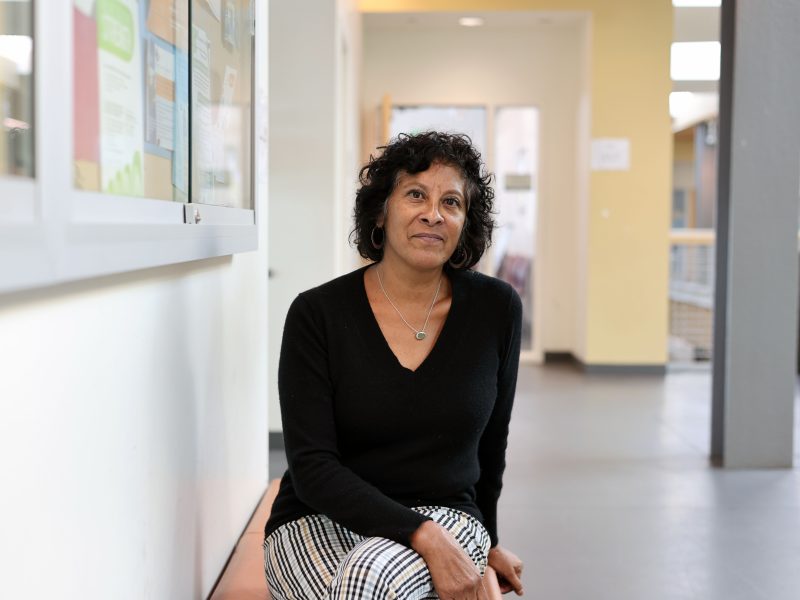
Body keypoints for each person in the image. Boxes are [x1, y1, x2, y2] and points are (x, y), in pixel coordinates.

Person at [263, 131, 524, 599]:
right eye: (416, 195)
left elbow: (492, 446)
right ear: (381, 211)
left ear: (465, 222)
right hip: (318, 520)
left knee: (369, 579)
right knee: (367, 583)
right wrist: (424, 537)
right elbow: (312, 466)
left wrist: (485, 546)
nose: (433, 214)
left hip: (448, 515)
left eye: (451, 202)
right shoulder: (317, 314)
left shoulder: (496, 309)